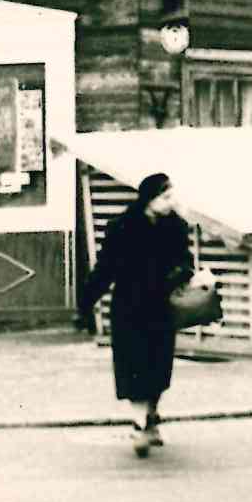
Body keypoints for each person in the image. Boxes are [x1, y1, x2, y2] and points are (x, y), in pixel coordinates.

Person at [78, 172, 197, 458]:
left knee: (157, 367)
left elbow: (186, 261)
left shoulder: (176, 227)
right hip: (129, 308)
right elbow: (107, 267)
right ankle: (140, 425)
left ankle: (151, 419)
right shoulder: (123, 227)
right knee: (134, 367)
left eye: (171, 196)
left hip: (161, 307)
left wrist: (182, 273)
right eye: (165, 197)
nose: (171, 202)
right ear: (150, 199)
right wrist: (86, 301)